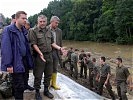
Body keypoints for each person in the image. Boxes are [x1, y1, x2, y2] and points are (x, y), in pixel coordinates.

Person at [28, 15, 65, 100]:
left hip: (49, 55)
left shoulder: (49, 30)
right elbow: (33, 44)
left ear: (46, 21)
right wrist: (40, 53)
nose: (42, 23)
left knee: (48, 74)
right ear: (38, 21)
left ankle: (46, 90)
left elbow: (52, 43)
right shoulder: (33, 31)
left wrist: (60, 48)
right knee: (38, 75)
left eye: (44, 21)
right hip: (39, 56)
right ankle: (37, 92)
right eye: (40, 21)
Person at [1, 11, 34, 100]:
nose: (25, 20)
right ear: (16, 19)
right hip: (15, 61)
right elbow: (6, 48)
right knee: (18, 85)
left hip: (24, 61)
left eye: (26, 18)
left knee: (23, 83)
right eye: (23, 18)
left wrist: (29, 61)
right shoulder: (8, 30)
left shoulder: (23, 31)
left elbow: (26, 47)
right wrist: (9, 64)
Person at [47, 16, 62, 90]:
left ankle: (54, 83)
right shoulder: (46, 29)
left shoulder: (59, 31)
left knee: (55, 68)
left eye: (58, 23)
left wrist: (61, 51)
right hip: (48, 51)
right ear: (51, 21)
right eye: (56, 23)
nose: (57, 24)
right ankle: (49, 83)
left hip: (56, 51)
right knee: (48, 68)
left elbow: (60, 42)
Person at [23, 20, 34, 91]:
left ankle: (26, 85)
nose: (29, 26)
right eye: (28, 25)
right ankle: (22, 86)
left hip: (28, 55)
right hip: (22, 56)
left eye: (29, 25)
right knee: (22, 72)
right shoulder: (21, 32)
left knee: (27, 71)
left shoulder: (29, 32)